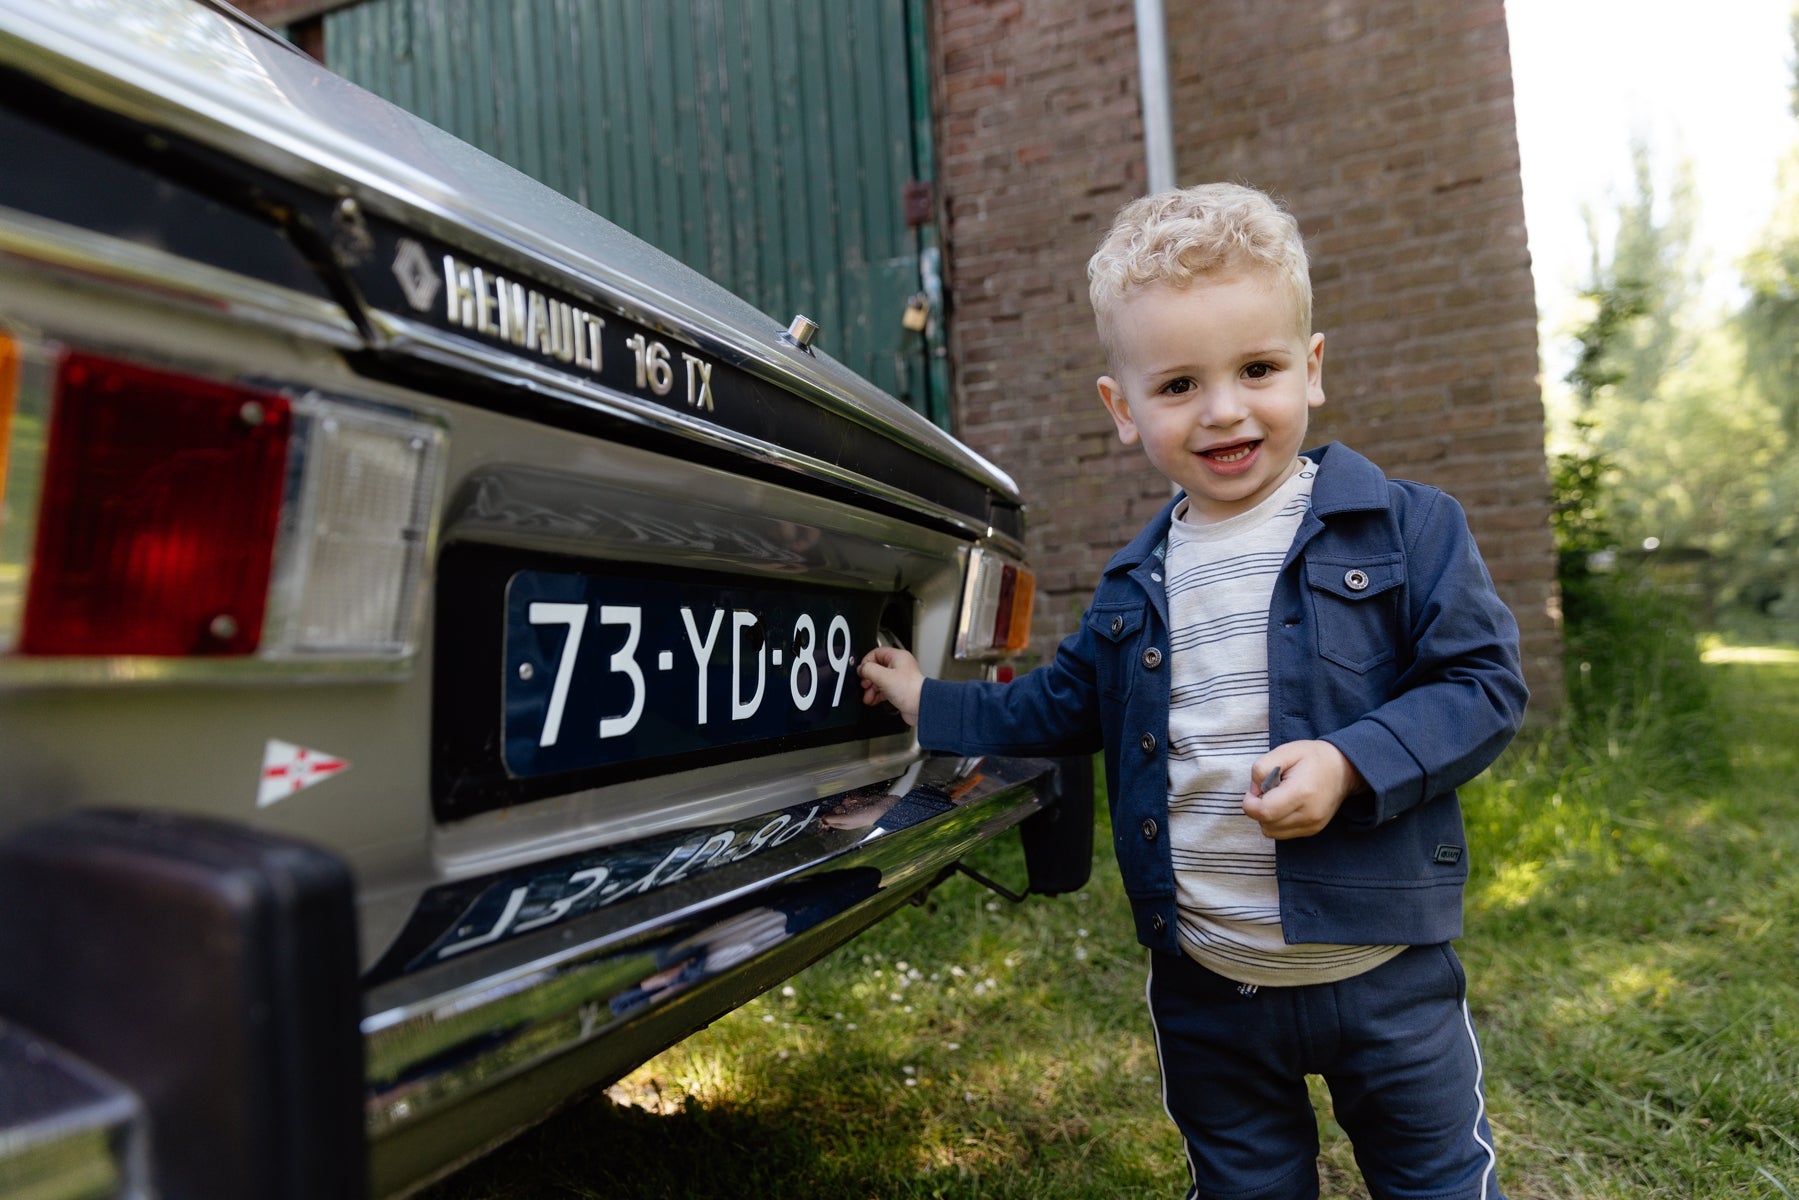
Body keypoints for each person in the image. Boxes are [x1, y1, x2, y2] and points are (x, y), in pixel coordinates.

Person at [858, 182, 1528, 1200]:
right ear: (1121, 409)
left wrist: (1351, 762)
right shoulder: (1137, 584)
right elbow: (1053, 707)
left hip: (1384, 976)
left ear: (1308, 371)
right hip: (1209, 986)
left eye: (1255, 369)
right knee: (1244, 1183)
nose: (1221, 410)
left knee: (1432, 1178)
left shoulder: (1401, 528)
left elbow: (1480, 684)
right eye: (1176, 385)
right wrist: (928, 702)